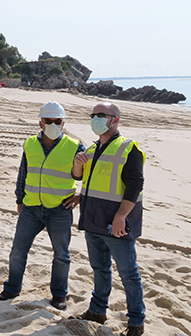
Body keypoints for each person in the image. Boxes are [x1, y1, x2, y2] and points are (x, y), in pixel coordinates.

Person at [0, 101, 85, 310]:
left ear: (63, 123)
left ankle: (59, 295)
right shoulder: (30, 144)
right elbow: (23, 173)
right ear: (40, 123)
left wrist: (82, 196)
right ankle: (12, 289)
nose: (53, 125)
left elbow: (91, 174)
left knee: (61, 255)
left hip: (60, 209)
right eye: (48, 121)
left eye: (57, 121)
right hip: (31, 207)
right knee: (18, 250)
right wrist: (19, 199)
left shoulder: (75, 146)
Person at [71, 102, 145, 336]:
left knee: (129, 274)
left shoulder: (128, 148)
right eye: (93, 115)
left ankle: (136, 322)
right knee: (100, 269)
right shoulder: (93, 148)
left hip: (115, 225)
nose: (95, 119)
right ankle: (97, 311)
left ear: (115, 120)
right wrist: (77, 166)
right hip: (92, 220)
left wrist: (121, 216)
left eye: (101, 115)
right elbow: (81, 177)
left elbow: (135, 185)